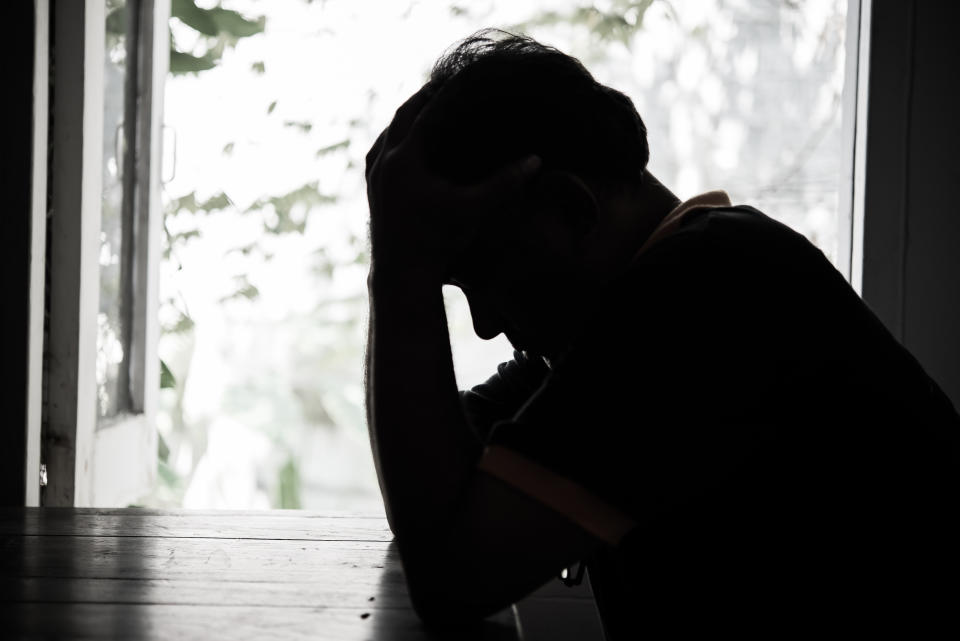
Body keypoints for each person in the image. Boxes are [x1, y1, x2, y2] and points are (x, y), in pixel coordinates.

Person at [363, 30, 959, 638]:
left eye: (485, 273)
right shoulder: (631, 310)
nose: (486, 324)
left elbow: (452, 578)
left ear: (572, 209)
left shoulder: (705, 297)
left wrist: (402, 272)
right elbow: (431, 499)